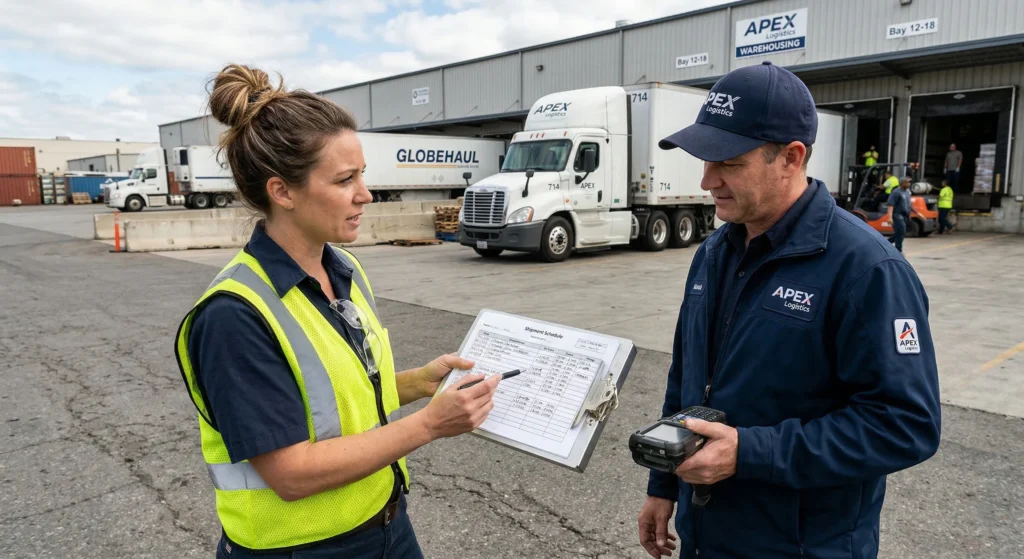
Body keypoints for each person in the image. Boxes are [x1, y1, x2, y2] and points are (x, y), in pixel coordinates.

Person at [174, 64, 501, 558]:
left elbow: (337, 403)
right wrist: (430, 424)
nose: (365, 194)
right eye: (345, 179)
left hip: (388, 525)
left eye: (362, 175)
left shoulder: (343, 268)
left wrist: (419, 382)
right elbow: (290, 473)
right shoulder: (234, 316)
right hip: (303, 549)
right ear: (282, 191)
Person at [639, 60, 940, 559]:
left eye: (728, 162)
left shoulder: (867, 270)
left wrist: (749, 453)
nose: (707, 179)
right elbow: (687, 377)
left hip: (802, 546)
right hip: (707, 535)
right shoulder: (713, 253)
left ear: (791, 157)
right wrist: (663, 484)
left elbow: (905, 425)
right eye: (704, 159)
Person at [888, 176, 913, 252]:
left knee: (900, 233)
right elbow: (890, 204)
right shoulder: (896, 192)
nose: (909, 184)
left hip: (905, 215)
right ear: (902, 183)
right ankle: (898, 250)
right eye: (907, 182)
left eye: (909, 182)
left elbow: (909, 204)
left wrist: (917, 212)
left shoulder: (907, 192)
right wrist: (889, 217)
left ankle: (886, 243)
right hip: (897, 215)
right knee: (901, 232)